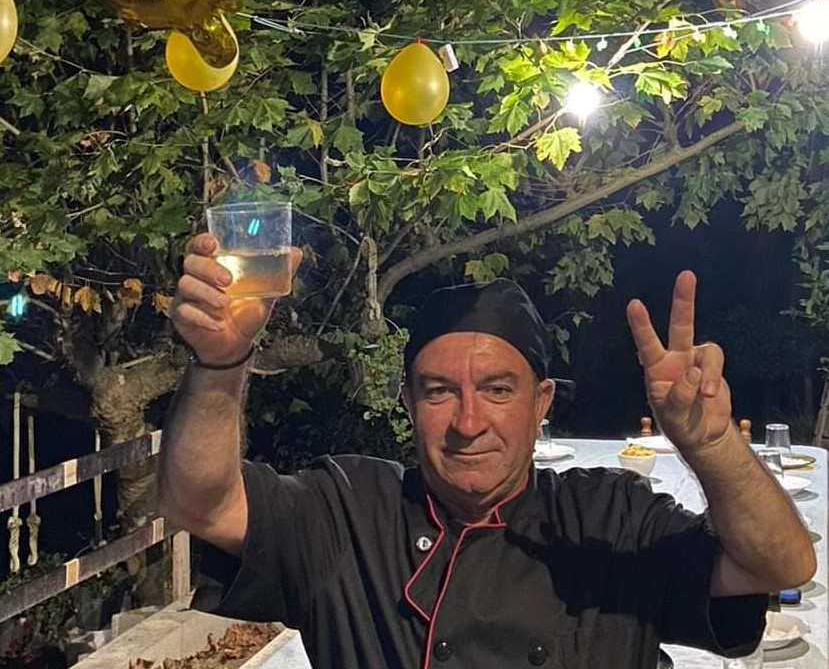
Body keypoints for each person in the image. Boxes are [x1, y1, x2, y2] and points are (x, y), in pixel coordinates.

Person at [159, 233, 816, 669]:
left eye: (497, 390)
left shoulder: (609, 519)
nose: (468, 422)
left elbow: (778, 565)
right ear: (408, 403)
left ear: (540, 403)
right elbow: (202, 504)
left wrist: (711, 445)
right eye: (439, 391)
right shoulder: (349, 512)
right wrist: (219, 364)